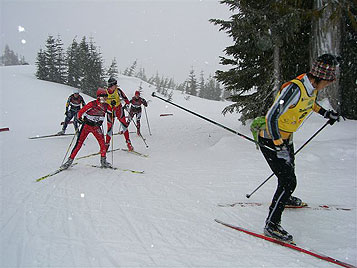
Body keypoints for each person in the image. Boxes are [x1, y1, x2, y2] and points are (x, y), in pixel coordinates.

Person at [258, 54, 340, 242]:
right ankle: (271, 224)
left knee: (289, 173)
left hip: (286, 139)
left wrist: (325, 113)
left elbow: (309, 104)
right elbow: (271, 116)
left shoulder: (310, 88)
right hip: (271, 140)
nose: (328, 84)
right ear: (321, 77)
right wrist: (278, 145)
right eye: (328, 81)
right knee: (288, 181)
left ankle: (284, 199)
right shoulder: (294, 88)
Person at [61, 88, 113, 169]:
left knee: (103, 143)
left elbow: (111, 114)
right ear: (98, 97)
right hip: (86, 126)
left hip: (96, 127)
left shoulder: (107, 106)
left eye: (106, 96)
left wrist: (112, 107)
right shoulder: (92, 104)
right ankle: (69, 161)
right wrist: (79, 119)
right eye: (104, 96)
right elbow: (80, 112)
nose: (105, 98)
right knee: (79, 144)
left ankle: (103, 161)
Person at [105, 77, 134, 151]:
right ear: (111, 85)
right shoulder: (105, 92)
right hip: (110, 111)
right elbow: (101, 101)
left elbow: (126, 99)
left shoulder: (118, 91)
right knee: (109, 128)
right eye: (115, 85)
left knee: (124, 126)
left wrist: (126, 105)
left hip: (118, 110)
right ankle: (106, 144)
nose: (116, 86)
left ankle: (128, 143)